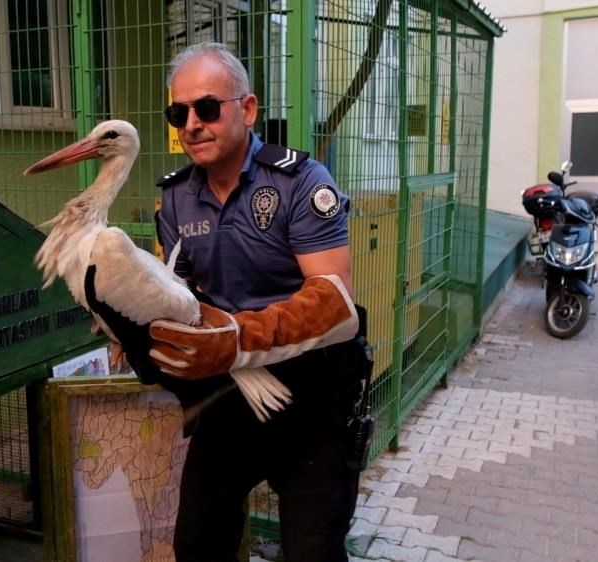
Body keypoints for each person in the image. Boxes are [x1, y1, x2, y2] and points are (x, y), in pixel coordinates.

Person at [148, 42, 369, 562]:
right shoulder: (175, 197)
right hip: (229, 393)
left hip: (313, 393)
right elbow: (180, 298)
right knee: (197, 544)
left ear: (247, 109)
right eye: (179, 113)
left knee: (312, 552)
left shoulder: (300, 182)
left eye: (207, 108)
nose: (192, 125)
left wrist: (236, 339)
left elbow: (334, 303)